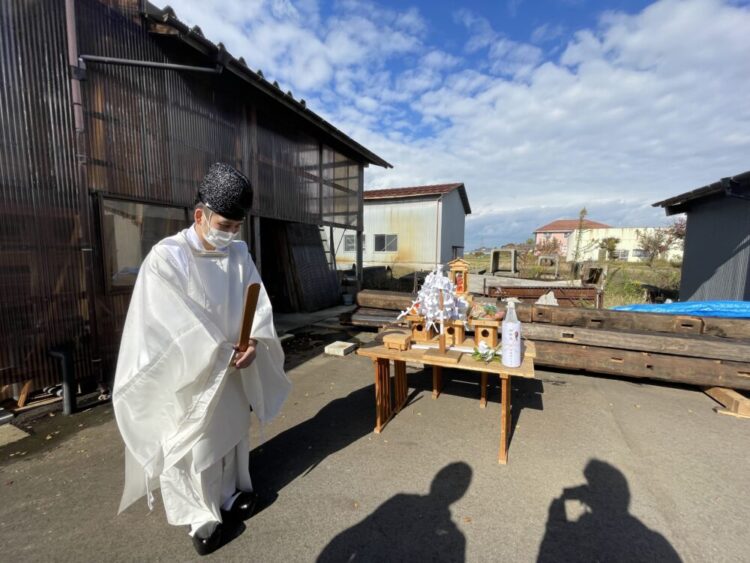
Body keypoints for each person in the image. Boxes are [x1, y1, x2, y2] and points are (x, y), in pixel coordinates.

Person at [113, 163, 291, 556]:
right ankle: (200, 516)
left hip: (232, 371)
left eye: (235, 226)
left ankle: (229, 497)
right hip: (191, 375)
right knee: (196, 447)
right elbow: (165, 323)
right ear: (200, 215)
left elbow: (256, 301)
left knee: (231, 435)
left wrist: (254, 343)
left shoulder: (239, 253)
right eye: (224, 224)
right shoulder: (167, 259)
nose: (229, 233)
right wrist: (215, 351)